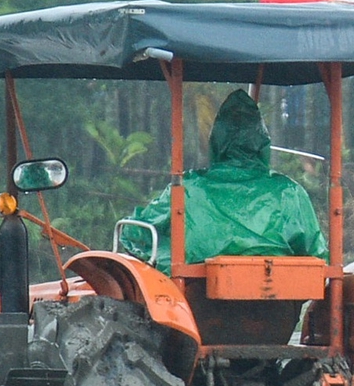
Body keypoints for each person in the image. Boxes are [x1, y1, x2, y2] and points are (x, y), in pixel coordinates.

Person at [122, 89, 328, 270]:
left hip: (195, 297)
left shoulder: (188, 188)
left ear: (216, 141)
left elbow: (134, 232)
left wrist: (166, 254)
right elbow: (317, 253)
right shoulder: (288, 191)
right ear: (262, 143)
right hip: (279, 301)